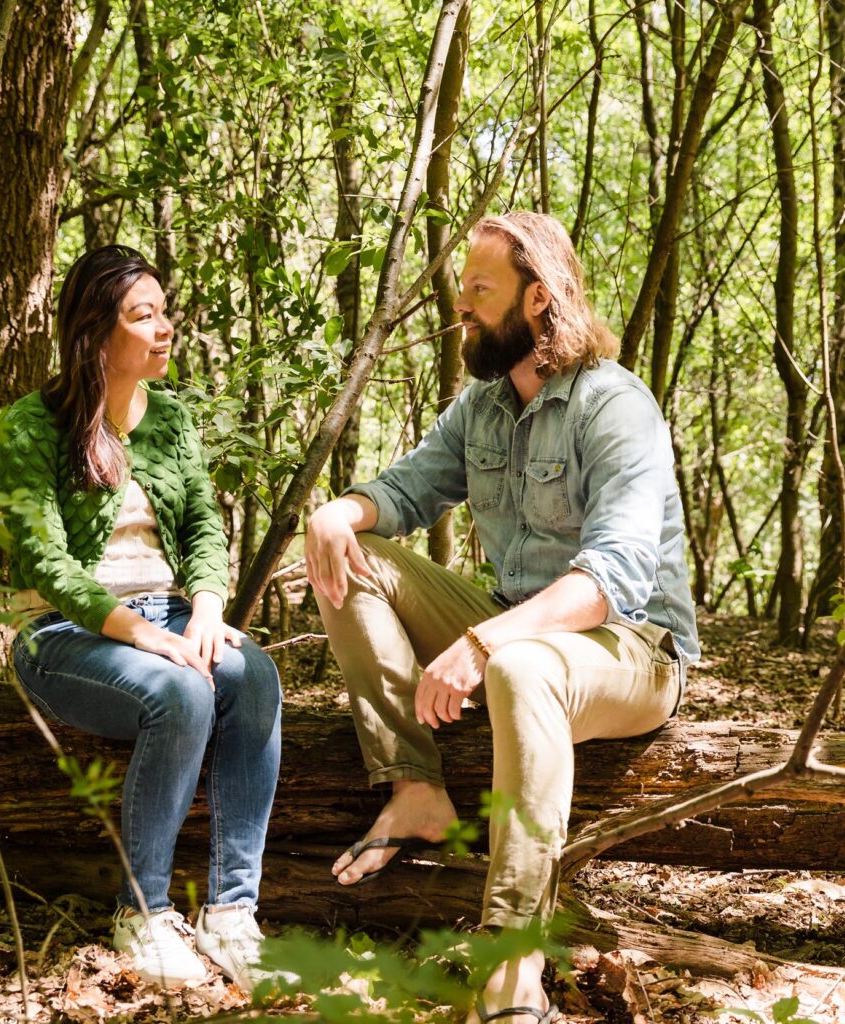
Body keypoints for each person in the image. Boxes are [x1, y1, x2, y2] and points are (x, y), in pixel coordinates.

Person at [306, 212, 699, 1023]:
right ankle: (415, 786)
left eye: (480, 289)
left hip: (633, 647)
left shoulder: (614, 406)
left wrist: (485, 643)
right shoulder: (481, 406)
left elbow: (614, 577)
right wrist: (338, 512)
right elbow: (406, 490)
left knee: (520, 665)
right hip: (517, 624)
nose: (461, 305)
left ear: (538, 299)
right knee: (352, 553)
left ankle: (511, 971)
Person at [0, 245, 282, 990]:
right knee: (181, 691)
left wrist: (208, 608)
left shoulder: (173, 419)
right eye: (142, 315)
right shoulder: (33, 425)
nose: (164, 328)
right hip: (65, 636)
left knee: (254, 677)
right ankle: (143, 913)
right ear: (96, 332)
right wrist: (147, 637)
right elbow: (47, 563)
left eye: (163, 312)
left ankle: (231, 913)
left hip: (171, 614)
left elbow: (204, 527)